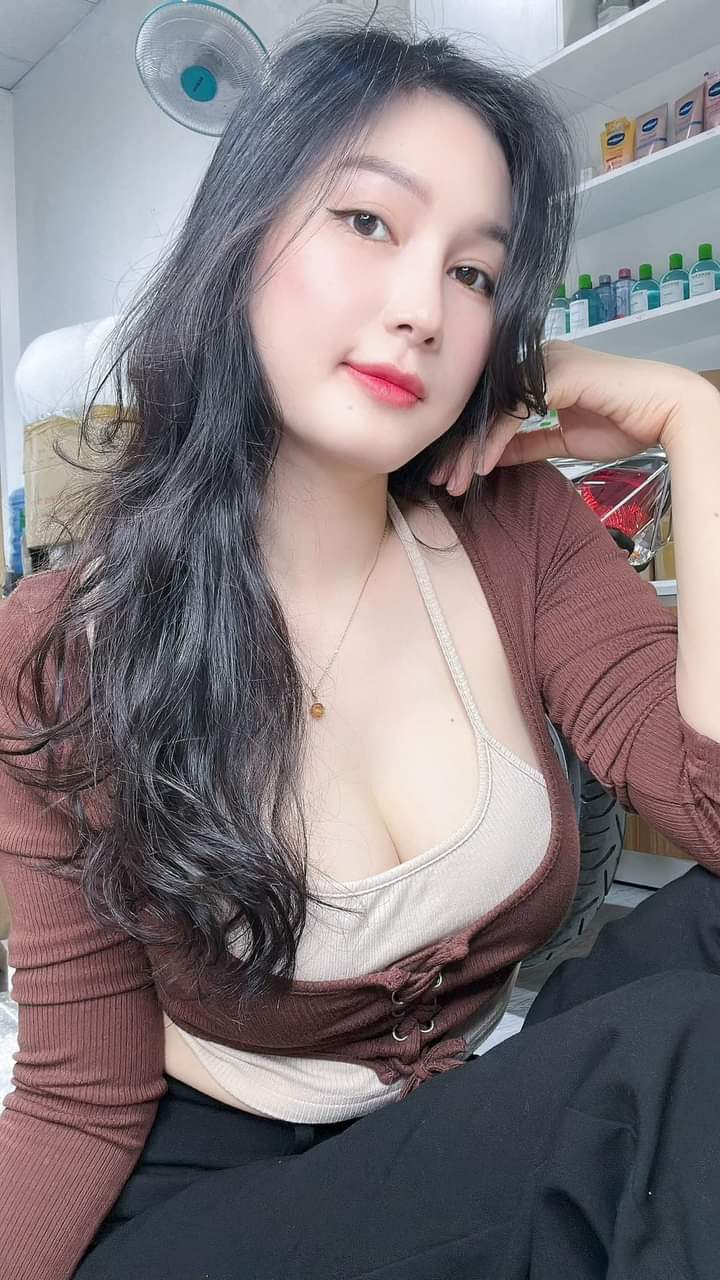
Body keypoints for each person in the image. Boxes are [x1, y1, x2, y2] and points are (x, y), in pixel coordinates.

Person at [0, 15, 719, 1280]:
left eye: (476, 273)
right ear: (241, 238)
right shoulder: (58, 646)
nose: (422, 309)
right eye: (369, 222)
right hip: (212, 1204)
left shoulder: (518, 530)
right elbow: (79, 1098)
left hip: (437, 1140)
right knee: (670, 1065)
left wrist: (695, 422)